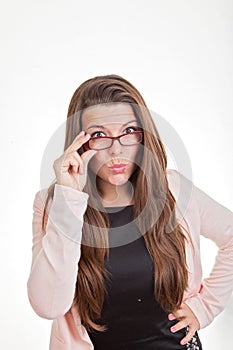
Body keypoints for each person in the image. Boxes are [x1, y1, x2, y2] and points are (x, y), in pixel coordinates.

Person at [27, 74, 233, 350]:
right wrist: (69, 199)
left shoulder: (173, 188)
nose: (116, 150)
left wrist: (204, 307)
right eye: (99, 135)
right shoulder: (55, 203)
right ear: (79, 142)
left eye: (128, 132)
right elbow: (48, 306)